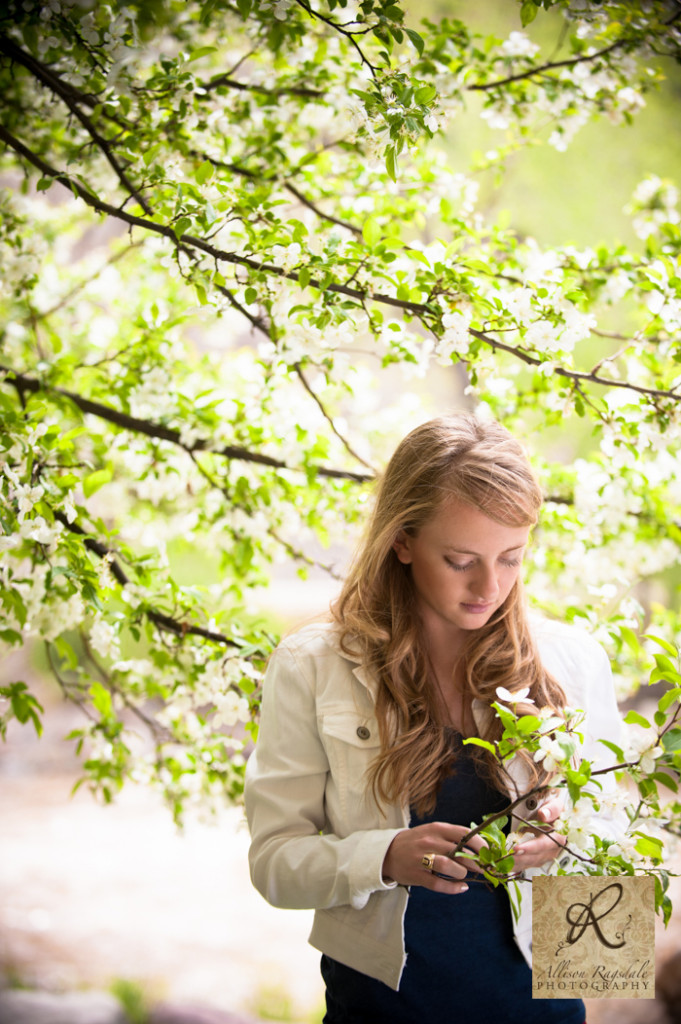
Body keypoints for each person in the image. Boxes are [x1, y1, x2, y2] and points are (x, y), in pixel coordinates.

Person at [244, 415, 622, 1024]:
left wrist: (570, 833)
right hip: (380, 1010)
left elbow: (613, 872)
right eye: (459, 559)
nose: (489, 586)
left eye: (511, 559)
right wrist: (384, 857)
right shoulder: (312, 665)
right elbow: (273, 867)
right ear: (402, 540)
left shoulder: (573, 662)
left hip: (545, 1011)